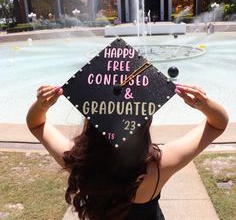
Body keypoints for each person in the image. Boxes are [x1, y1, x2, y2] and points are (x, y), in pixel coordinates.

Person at [26, 83, 228, 220]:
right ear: (143, 123)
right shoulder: (159, 165)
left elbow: (36, 125)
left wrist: (41, 105)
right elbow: (218, 124)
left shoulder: (79, 160)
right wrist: (204, 104)